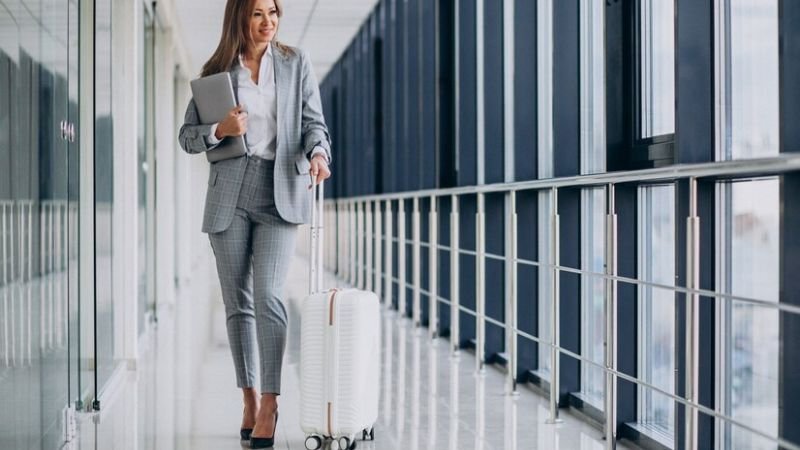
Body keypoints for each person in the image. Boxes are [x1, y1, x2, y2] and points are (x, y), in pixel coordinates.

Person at [178, 0, 331, 447]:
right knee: (237, 303)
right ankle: (247, 397)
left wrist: (319, 153)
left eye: (274, 12)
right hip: (230, 192)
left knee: (268, 296)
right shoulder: (218, 70)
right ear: (240, 18)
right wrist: (220, 130)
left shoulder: (294, 62)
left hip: (280, 187)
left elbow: (313, 123)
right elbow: (188, 136)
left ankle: (270, 399)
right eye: (258, 13)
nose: (269, 22)